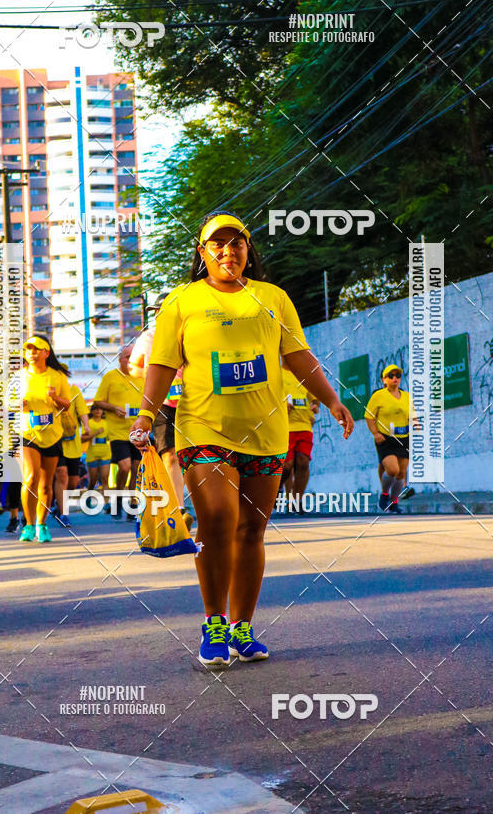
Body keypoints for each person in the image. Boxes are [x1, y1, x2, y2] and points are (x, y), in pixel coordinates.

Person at [129, 212, 353, 665]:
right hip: (203, 429)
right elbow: (161, 364)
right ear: (202, 252)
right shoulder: (181, 301)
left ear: (248, 250)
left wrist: (331, 400)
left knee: (252, 531)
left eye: (237, 243)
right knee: (216, 520)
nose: (228, 251)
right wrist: (145, 415)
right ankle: (214, 622)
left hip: (266, 433)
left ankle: (242, 627)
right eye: (218, 244)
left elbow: (297, 356)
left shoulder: (272, 298)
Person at [130, 293, 192, 529]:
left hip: (194, 400)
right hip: (163, 402)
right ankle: (179, 509)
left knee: (193, 455)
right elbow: (134, 368)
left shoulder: (191, 333)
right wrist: (152, 375)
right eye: (160, 310)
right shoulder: (148, 337)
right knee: (171, 454)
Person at [20, 335, 71, 543]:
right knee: (30, 477)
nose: (31, 353)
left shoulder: (57, 377)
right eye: (28, 349)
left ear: (46, 353)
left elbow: (67, 405)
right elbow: (7, 405)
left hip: (52, 434)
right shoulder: (19, 377)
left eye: (36, 349)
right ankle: (29, 525)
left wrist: (55, 398)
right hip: (27, 432)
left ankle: (42, 524)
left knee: (45, 484)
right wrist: (18, 404)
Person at [93, 346, 143, 518]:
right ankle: (120, 497)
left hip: (139, 431)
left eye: (133, 357)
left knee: (137, 468)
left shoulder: (142, 376)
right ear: (120, 359)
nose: (130, 360)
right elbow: (98, 401)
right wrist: (114, 408)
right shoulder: (111, 377)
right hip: (118, 432)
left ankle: (133, 503)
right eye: (127, 357)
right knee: (125, 467)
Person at [365, 364, 419, 515]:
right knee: (392, 469)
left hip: (404, 438)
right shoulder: (378, 396)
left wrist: (417, 427)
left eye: (397, 376)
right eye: (390, 376)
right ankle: (384, 495)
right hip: (385, 439)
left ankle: (394, 503)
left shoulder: (407, 396)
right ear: (384, 380)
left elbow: (412, 415)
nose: (394, 378)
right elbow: (369, 416)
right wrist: (375, 433)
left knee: (401, 473)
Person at [281, 362, 320, 511]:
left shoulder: (303, 374)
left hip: (305, 425)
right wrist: (281, 405)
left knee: (303, 463)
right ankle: (280, 492)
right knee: (287, 466)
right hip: (285, 426)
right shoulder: (276, 373)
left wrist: (315, 405)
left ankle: (297, 502)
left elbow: (315, 397)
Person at [52, 383, 89, 528]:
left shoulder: (73, 389)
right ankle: (63, 514)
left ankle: (58, 503)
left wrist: (86, 426)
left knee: (73, 482)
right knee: (62, 474)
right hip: (54, 440)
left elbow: (82, 411)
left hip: (72, 442)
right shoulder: (47, 391)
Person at [85, 403, 111, 509]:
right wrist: (95, 433)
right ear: (92, 411)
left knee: (105, 479)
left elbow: (110, 437)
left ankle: (107, 503)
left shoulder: (107, 423)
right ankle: (88, 497)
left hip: (105, 454)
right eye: (95, 409)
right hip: (92, 454)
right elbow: (82, 438)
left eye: (100, 409)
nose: (98, 411)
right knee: (93, 480)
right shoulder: (88, 423)